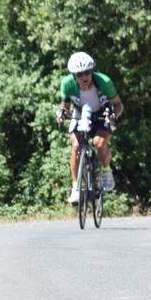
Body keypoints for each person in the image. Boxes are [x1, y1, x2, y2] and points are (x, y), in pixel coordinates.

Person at [55, 51, 125, 204]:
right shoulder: (67, 84)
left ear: (92, 71)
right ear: (74, 75)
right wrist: (61, 114)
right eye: (79, 74)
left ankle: (106, 170)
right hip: (80, 113)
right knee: (76, 145)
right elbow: (65, 106)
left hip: (102, 113)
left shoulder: (104, 81)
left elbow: (118, 105)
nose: (84, 77)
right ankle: (75, 188)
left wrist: (113, 116)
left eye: (87, 72)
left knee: (99, 144)